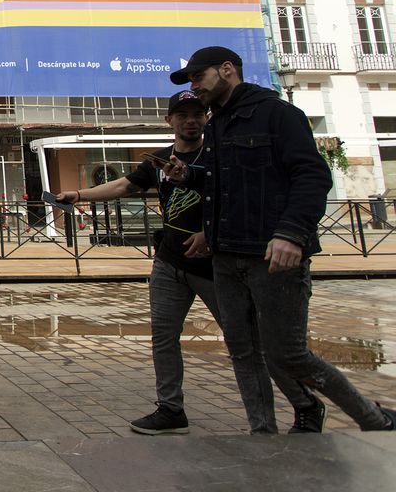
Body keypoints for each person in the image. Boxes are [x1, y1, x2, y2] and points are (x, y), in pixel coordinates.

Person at [56, 91, 320, 434]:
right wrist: (78, 195)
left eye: (197, 113)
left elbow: (242, 200)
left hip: (216, 266)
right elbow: (125, 186)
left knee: (251, 344)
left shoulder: (221, 157)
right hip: (169, 261)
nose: (190, 120)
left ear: (206, 119)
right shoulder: (160, 161)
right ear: (170, 121)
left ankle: (304, 404)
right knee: (163, 336)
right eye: (183, 115)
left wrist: (209, 235)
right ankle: (170, 408)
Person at [164, 46, 395, 433]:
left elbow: (312, 176)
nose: (195, 87)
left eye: (198, 77)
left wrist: (291, 234)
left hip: (272, 257)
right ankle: (262, 432)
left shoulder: (278, 114)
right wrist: (189, 179)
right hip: (225, 255)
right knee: (242, 350)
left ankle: (372, 419)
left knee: (287, 353)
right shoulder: (217, 124)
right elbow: (230, 183)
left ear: (226, 70)